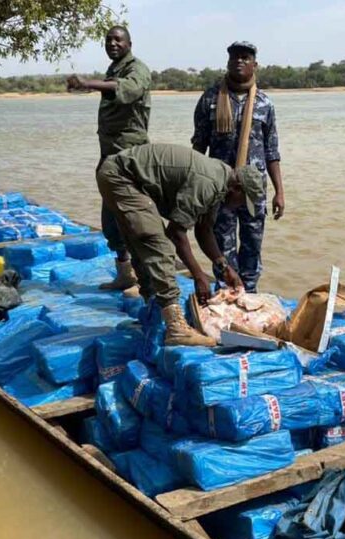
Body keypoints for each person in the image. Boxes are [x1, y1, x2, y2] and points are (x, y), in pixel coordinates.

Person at [97, 144, 264, 346]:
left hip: (123, 178)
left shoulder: (220, 184)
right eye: (242, 202)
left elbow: (204, 231)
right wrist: (198, 275)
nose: (239, 207)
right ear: (237, 189)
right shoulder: (209, 182)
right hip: (120, 177)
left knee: (142, 246)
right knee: (158, 246)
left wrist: (223, 266)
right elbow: (176, 233)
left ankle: (155, 314)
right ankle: (176, 327)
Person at [192, 41, 285, 293]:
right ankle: (227, 292)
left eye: (245, 57)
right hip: (219, 190)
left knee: (253, 245)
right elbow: (198, 148)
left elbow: (271, 151)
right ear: (227, 62)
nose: (239, 61)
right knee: (222, 245)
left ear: (255, 64)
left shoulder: (265, 104)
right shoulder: (210, 99)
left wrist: (279, 192)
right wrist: (193, 188)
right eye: (234, 57)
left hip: (253, 190)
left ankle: (250, 295)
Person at [66, 25, 151, 292]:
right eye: (108, 40)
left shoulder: (137, 69)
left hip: (128, 157)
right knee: (110, 220)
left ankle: (144, 279)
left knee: (131, 218)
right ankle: (124, 274)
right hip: (109, 155)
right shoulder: (114, 69)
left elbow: (127, 89)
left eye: (118, 40)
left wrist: (88, 84)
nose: (112, 44)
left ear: (129, 43)